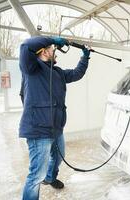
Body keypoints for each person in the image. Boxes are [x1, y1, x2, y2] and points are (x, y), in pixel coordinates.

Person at [19, 36, 90, 200]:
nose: (55, 51)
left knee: (58, 157)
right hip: (38, 129)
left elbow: (77, 74)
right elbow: (26, 46)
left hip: (56, 128)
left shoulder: (57, 72)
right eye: (52, 48)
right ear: (43, 51)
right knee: (36, 174)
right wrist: (51, 39)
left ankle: (50, 178)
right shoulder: (31, 68)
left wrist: (85, 57)